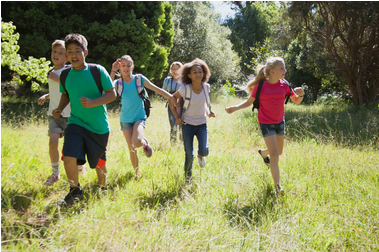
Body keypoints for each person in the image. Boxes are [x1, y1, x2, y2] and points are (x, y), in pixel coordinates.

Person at [52, 33, 117, 206]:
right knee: (68, 155)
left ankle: (102, 189)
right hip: (76, 122)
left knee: (99, 163)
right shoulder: (65, 75)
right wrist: (59, 107)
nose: (74, 55)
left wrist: (94, 102)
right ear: (66, 55)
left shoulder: (97, 71)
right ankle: (75, 191)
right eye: (70, 51)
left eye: (77, 51)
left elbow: (112, 94)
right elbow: (66, 94)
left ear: (85, 52)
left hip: (98, 126)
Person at [225, 57, 305, 195]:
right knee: (275, 154)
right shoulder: (260, 86)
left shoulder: (284, 85)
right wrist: (235, 107)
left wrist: (302, 94)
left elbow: (297, 100)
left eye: (284, 68)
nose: (285, 70)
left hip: (280, 121)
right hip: (266, 122)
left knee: (278, 151)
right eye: (282, 68)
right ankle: (278, 187)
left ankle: (263, 153)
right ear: (272, 71)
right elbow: (249, 102)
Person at [110, 55, 173, 178]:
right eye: (123, 65)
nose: (126, 68)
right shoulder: (118, 83)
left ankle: (144, 142)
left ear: (132, 67)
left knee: (137, 141)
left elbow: (156, 89)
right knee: (131, 148)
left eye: (128, 65)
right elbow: (107, 89)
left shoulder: (138, 79)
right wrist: (112, 71)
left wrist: (171, 97)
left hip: (139, 116)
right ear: (119, 67)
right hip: (125, 119)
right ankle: (137, 173)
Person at [38, 40, 86, 186]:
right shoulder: (50, 72)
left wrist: (58, 79)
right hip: (54, 115)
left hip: (69, 115)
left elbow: (71, 87)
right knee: (53, 143)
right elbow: (56, 92)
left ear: (66, 58)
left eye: (60, 53)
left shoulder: (68, 71)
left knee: (71, 146)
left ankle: (79, 166)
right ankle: (55, 174)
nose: (56, 55)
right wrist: (45, 96)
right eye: (54, 52)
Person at [168, 58, 216, 182]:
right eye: (194, 72)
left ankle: (201, 155)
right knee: (189, 154)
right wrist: (177, 118)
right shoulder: (185, 89)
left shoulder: (206, 87)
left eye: (200, 72)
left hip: (201, 124)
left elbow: (205, 102)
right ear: (189, 75)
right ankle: (188, 178)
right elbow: (171, 99)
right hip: (187, 125)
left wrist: (209, 112)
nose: (198, 74)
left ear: (204, 74)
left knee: (204, 150)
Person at [162, 62, 184, 143]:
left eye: (177, 69)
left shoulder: (184, 80)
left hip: (182, 105)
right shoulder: (167, 80)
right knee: (173, 125)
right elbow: (163, 91)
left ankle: (182, 143)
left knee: (182, 124)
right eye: (173, 69)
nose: (175, 71)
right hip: (171, 105)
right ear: (171, 70)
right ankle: (173, 144)